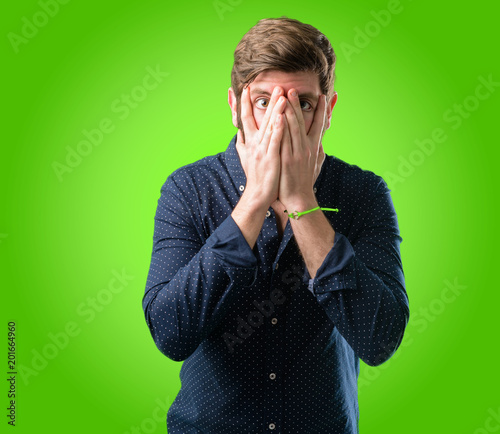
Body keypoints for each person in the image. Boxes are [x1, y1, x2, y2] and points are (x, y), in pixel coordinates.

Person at [142, 16, 409, 433]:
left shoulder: (363, 192)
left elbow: (380, 339)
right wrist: (253, 202)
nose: (279, 122)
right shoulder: (189, 189)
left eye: (301, 103)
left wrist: (303, 202)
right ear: (235, 105)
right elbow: (171, 333)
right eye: (263, 101)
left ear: (328, 109)